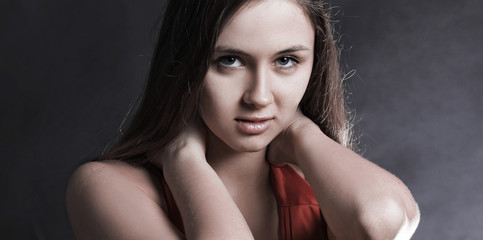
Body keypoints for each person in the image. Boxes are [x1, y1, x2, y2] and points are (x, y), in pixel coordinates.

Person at [66, 0, 420, 239]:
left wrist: (301, 132)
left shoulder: (322, 181)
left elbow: (383, 225)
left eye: (286, 61)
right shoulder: (105, 187)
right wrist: (184, 161)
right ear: (184, 64)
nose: (259, 97)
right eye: (230, 61)